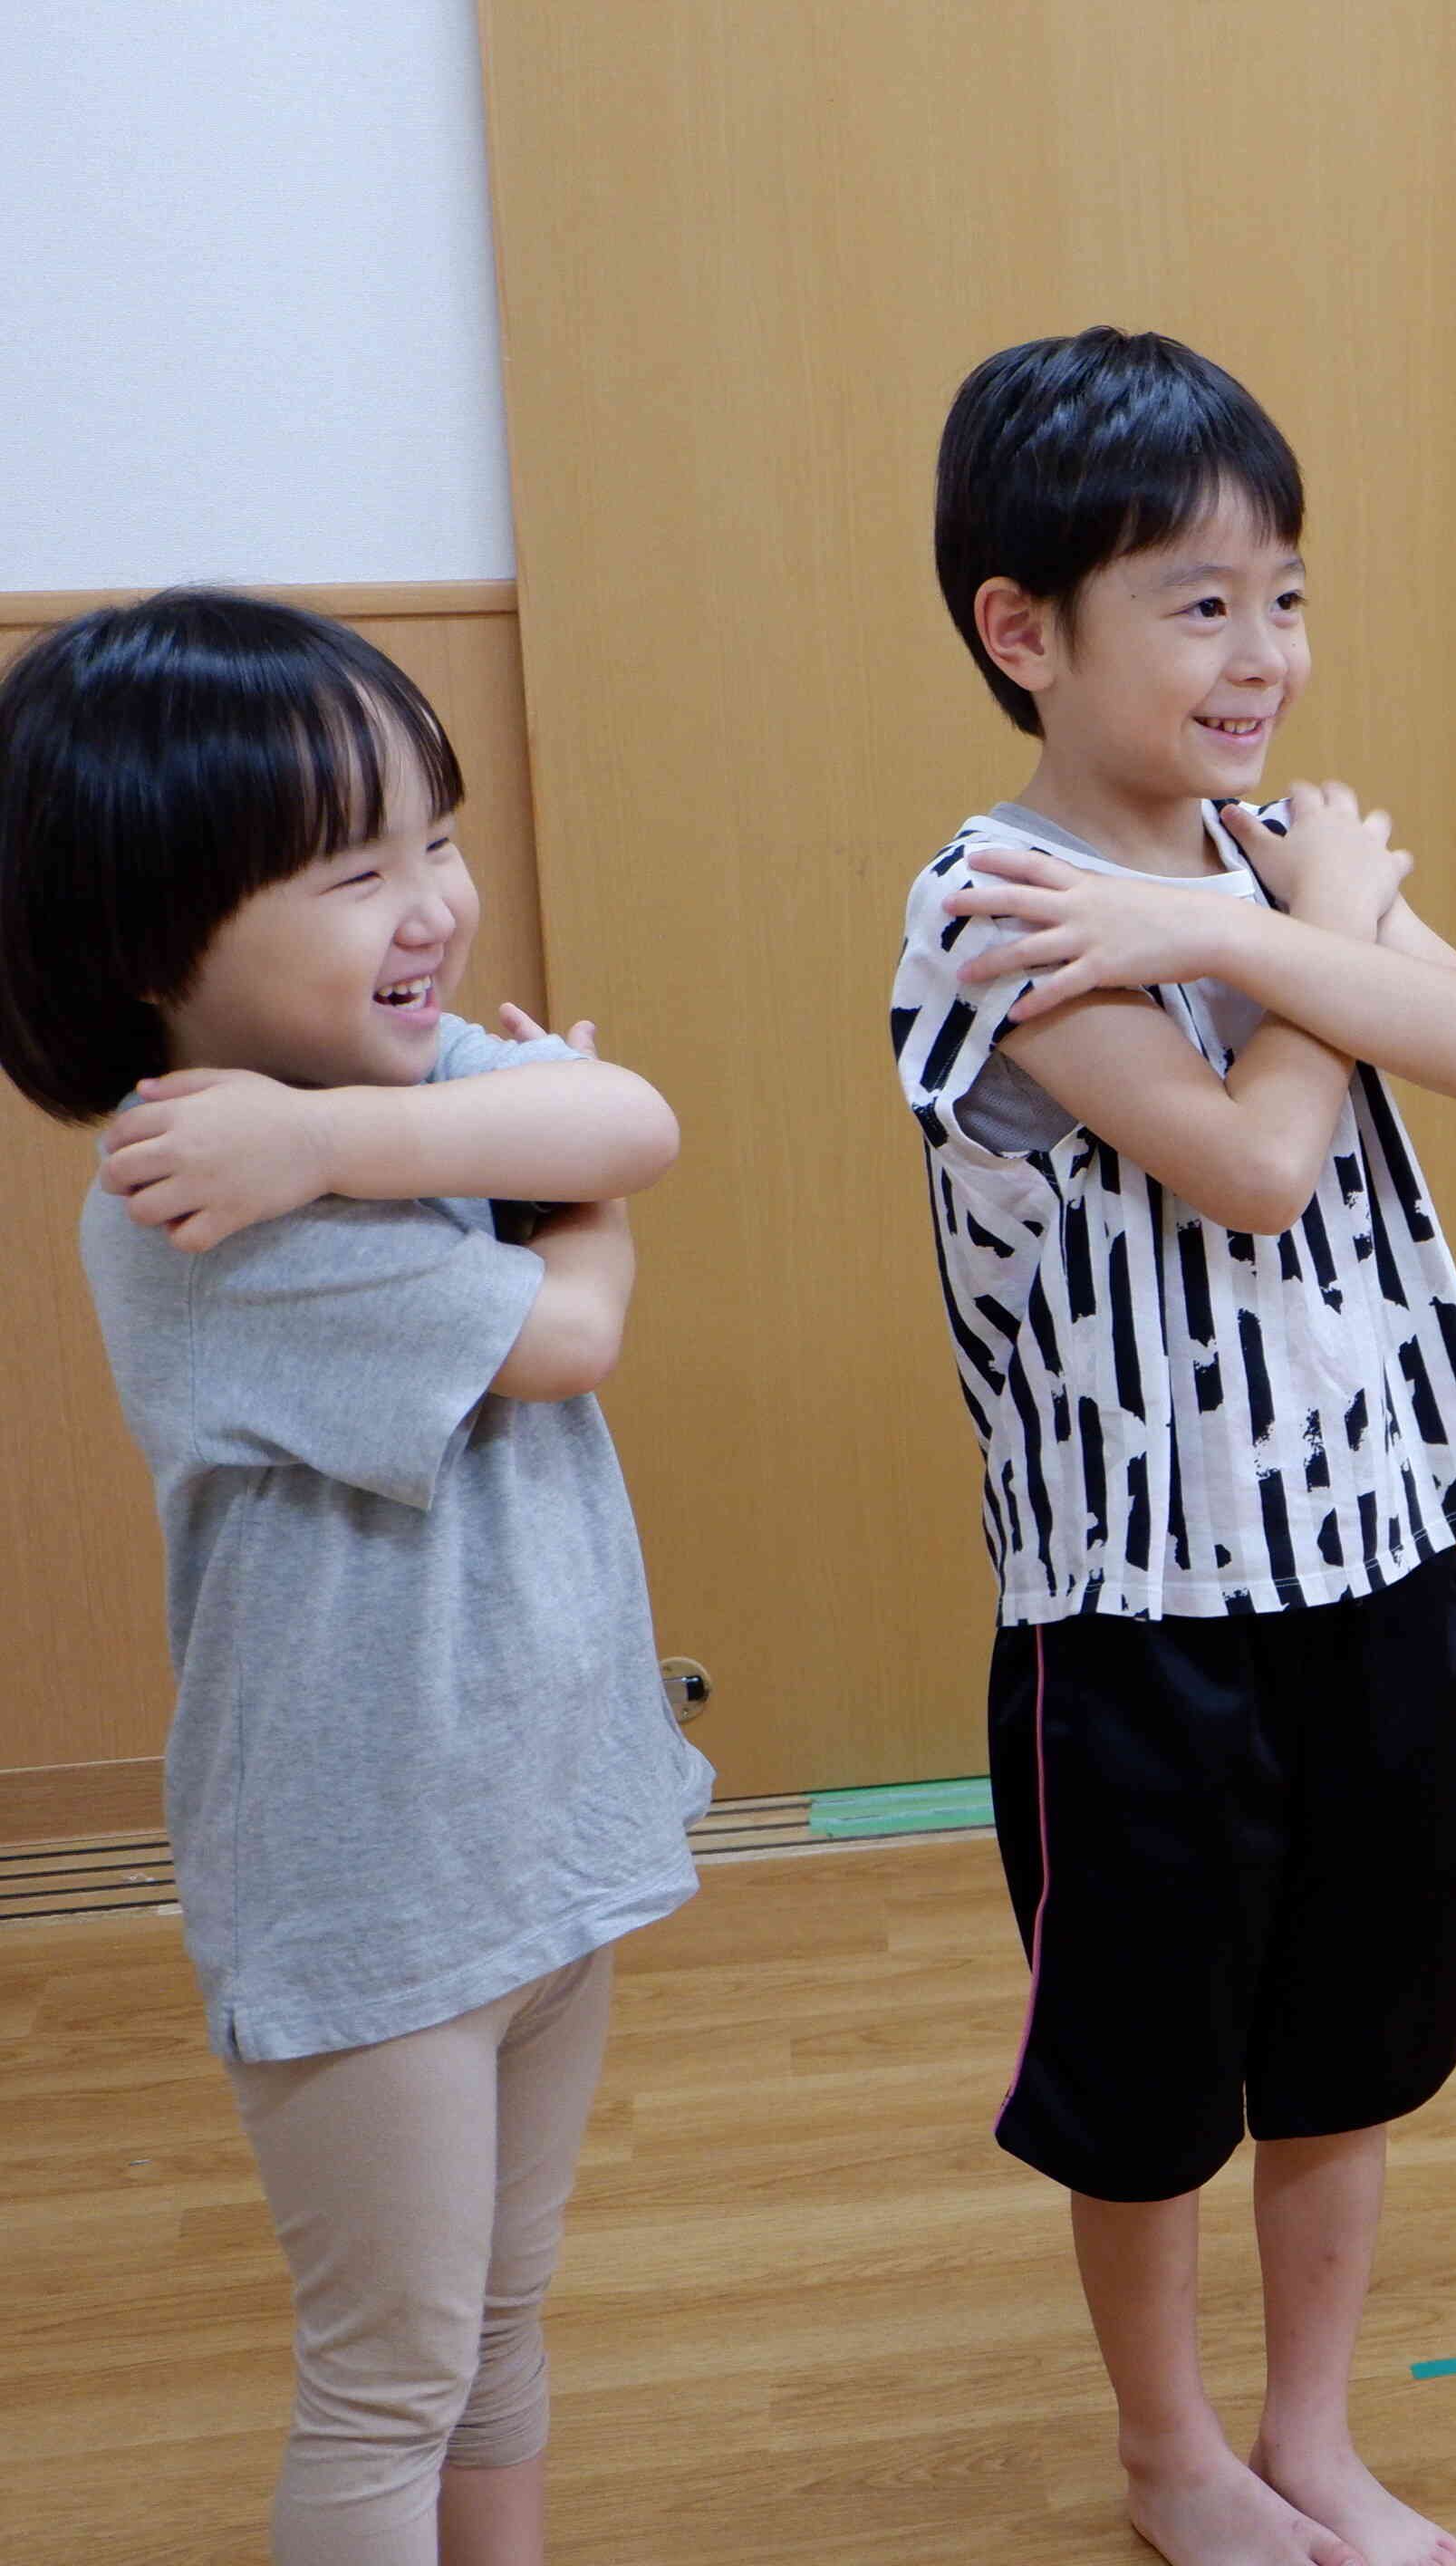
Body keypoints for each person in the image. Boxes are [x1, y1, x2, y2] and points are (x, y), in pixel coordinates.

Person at [893, 327, 1456, 2566]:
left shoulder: (1260, 858)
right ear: (1023, 631)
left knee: (1347, 2043)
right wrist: (1301, 936)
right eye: (1195, 601)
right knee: (1153, 2086)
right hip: (1140, 1619)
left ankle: (1317, 2434)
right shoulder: (991, 907)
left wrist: (1256, 913)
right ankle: (1173, 2458)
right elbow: (1252, 1166)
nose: (1259, 652)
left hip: (1373, 1557)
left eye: (1283, 592)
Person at [0, 589, 708, 2563]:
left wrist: (384, 1139)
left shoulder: (353, 1105)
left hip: (535, 1829)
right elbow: (573, 1318)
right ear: (156, 941)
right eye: (350, 870)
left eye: (438, 840)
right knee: (386, 2378)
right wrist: (556, 1203)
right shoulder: (195, 1190)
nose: (431, 906)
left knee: (496, 2326)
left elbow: (629, 1120)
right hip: (372, 1881)